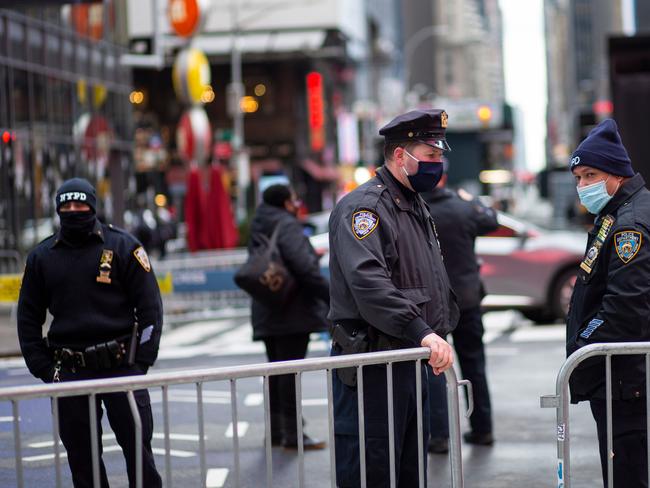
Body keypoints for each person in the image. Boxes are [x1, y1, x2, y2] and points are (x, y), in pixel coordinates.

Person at [328, 109, 459, 487]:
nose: (438, 163)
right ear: (402, 156)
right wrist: (421, 330)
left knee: (406, 473)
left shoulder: (412, 203)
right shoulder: (366, 208)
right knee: (372, 472)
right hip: (373, 365)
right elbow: (369, 283)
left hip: (405, 361)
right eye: (430, 155)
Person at [17, 178, 163, 488]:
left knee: (140, 454)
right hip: (69, 373)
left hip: (122, 368)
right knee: (83, 463)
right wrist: (44, 368)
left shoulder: (123, 246)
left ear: (93, 206)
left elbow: (150, 309)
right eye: (66, 206)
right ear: (58, 209)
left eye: (80, 204)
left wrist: (141, 364)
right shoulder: (42, 257)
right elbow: (28, 317)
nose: (73, 211)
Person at [566, 119, 650, 487]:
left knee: (628, 474)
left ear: (616, 174)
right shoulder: (615, 212)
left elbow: (626, 306)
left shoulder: (630, 223)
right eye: (579, 178)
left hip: (626, 380)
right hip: (620, 377)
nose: (584, 185)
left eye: (590, 175)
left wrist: (583, 348)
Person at [422, 163, 499, 453]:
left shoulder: (417, 209)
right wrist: (473, 200)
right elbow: (492, 220)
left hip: (433, 302)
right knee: (474, 365)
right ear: (444, 178)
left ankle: (439, 435)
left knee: (435, 368)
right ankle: (483, 428)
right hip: (467, 299)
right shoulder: (463, 207)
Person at [248, 184, 330, 449]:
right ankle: (294, 434)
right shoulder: (287, 224)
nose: (297, 204)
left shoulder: (260, 223)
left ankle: (276, 432)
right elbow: (304, 268)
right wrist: (331, 297)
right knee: (290, 372)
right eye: (294, 199)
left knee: (276, 370)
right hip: (292, 309)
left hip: (267, 305)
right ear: (285, 202)